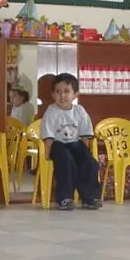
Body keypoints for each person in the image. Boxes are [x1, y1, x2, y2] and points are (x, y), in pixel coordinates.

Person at [40, 73, 101, 210]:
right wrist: (48, 154)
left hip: (76, 144)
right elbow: (48, 136)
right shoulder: (51, 111)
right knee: (66, 161)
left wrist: (84, 154)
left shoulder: (80, 111)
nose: (62, 96)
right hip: (58, 145)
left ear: (75, 94)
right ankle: (65, 198)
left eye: (66, 91)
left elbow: (85, 136)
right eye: (58, 92)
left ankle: (90, 197)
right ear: (53, 94)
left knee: (90, 163)